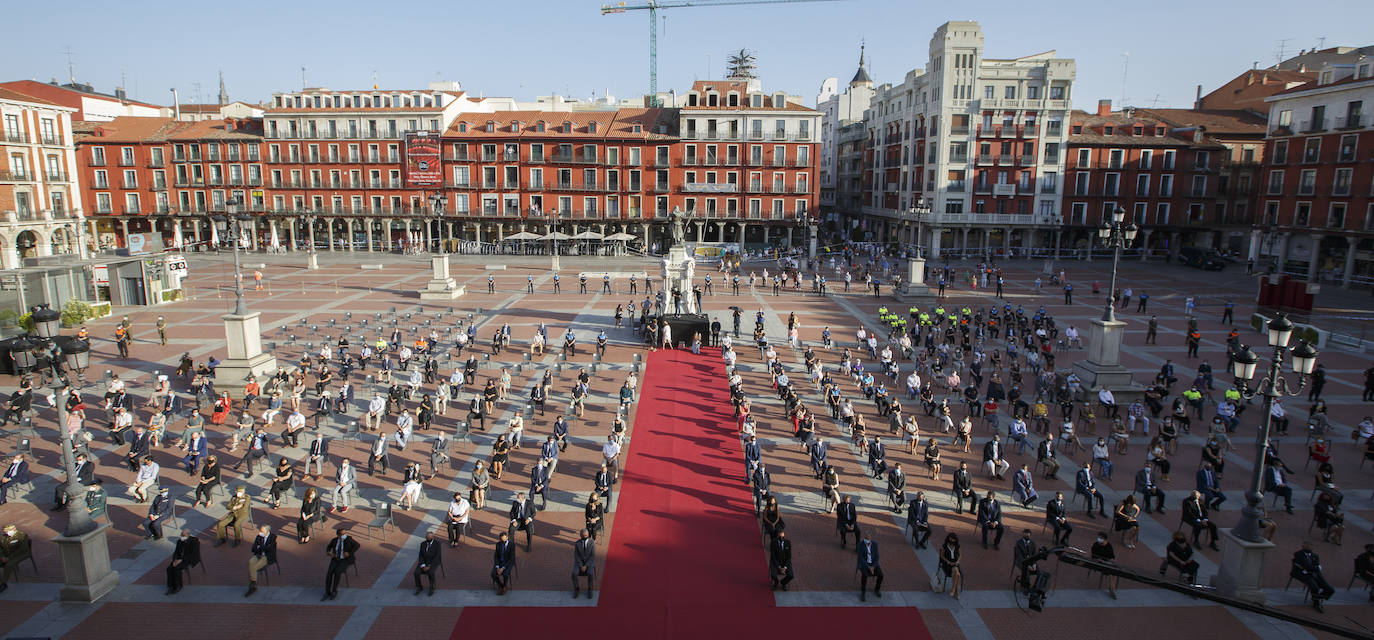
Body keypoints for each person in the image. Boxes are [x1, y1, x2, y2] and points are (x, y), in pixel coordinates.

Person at [1290, 542, 1336, 612]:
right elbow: (1307, 566)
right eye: (1307, 545)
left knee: (1330, 589)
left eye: (1311, 545)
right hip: (1302, 574)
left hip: (1315, 574)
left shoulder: (1315, 556)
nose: (1309, 547)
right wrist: (1315, 568)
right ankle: (1316, 602)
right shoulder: (1298, 554)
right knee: (1315, 587)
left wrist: (1314, 569)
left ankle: (1316, 597)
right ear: (1303, 546)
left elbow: (1315, 567)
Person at [322, 527, 359, 601]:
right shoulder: (334, 540)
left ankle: (334, 591)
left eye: (345, 533)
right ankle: (327, 592)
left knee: (337, 572)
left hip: (345, 560)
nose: (344, 535)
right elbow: (328, 547)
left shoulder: (348, 539)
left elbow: (357, 545)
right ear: (338, 535)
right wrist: (329, 552)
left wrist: (349, 553)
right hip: (335, 559)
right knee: (329, 573)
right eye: (342, 534)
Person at [164, 529, 201, 595]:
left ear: (188, 535)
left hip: (188, 559)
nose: (181, 536)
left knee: (177, 569)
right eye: (181, 535)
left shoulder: (194, 542)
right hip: (179, 559)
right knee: (169, 568)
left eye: (183, 535)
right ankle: (171, 585)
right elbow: (176, 552)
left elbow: (192, 554)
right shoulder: (179, 541)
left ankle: (178, 586)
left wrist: (181, 560)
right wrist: (174, 560)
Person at [413, 530, 442, 597]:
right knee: (416, 573)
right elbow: (421, 556)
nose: (427, 539)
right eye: (426, 537)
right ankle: (419, 587)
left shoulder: (437, 544)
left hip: (433, 562)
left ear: (432, 537)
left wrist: (429, 566)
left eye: (428, 538)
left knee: (431, 572)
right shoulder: (423, 544)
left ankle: (432, 587)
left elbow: (437, 556)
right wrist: (423, 565)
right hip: (424, 562)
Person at [1091, 531, 1119, 599]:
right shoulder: (1096, 545)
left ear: (1104, 539)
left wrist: (1111, 560)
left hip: (1107, 562)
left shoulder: (1109, 545)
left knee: (1116, 572)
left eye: (1100, 538)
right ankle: (1112, 590)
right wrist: (1099, 560)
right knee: (1110, 571)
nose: (1098, 539)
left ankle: (1111, 587)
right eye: (1098, 538)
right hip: (1098, 563)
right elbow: (1093, 556)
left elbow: (1112, 556)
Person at [856, 532, 883, 601]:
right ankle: (863, 592)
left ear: (871, 539)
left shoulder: (875, 544)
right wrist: (868, 567)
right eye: (866, 538)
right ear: (864, 538)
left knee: (881, 575)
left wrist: (873, 566)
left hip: (873, 564)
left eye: (869, 539)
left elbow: (877, 557)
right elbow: (860, 558)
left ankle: (877, 589)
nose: (867, 540)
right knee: (864, 575)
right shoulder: (860, 545)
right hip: (864, 564)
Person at [572, 528, 596, 598]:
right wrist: (581, 565)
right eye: (583, 536)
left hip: (589, 563)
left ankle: (590, 589)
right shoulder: (577, 543)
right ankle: (576, 589)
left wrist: (586, 565)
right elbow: (576, 556)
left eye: (586, 535)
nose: (584, 537)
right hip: (579, 563)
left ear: (588, 535)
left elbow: (592, 556)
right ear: (580, 535)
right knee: (573, 574)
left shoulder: (592, 543)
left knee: (591, 573)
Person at [938, 532, 963, 598]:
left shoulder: (957, 546)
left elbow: (960, 555)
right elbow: (942, 556)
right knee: (958, 574)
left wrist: (958, 561)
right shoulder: (945, 546)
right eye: (951, 539)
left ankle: (954, 589)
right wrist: (948, 561)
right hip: (947, 564)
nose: (952, 541)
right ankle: (956, 591)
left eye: (953, 539)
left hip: (955, 562)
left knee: (957, 573)